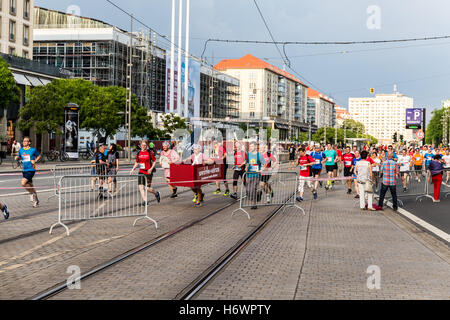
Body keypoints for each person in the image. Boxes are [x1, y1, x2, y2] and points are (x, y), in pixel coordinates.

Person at [130, 140, 161, 206]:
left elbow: (155, 161)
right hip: (141, 172)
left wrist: (151, 169)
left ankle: (156, 193)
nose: (143, 146)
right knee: (141, 187)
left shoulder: (149, 152)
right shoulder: (139, 153)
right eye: (142, 145)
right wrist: (133, 169)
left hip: (148, 172)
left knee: (147, 188)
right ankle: (145, 201)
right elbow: (137, 162)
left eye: (145, 145)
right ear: (140, 146)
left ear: (146, 146)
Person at [16, 137, 41, 208]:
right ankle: (36, 200)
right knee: (31, 185)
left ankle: (31, 193)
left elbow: (39, 156)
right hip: (24, 170)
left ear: (29, 142)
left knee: (23, 183)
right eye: (23, 141)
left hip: (31, 169)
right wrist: (17, 158)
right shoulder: (21, 150)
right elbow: (20, 157)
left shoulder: (33, 150)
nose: (24, 142)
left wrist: (35, 161)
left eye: (26, 141)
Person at [245, 141, 266, 210]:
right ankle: (258, 193)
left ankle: (254, 204)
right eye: (250, 146)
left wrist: (261, 170)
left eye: (252, 146)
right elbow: (247, 163)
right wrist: (246, 167)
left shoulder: (259, 155)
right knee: (248, 190)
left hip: (256, 175)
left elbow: (264, 163)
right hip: (249, 174)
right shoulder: (248, 154)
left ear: (255, 147)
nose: (251, 148)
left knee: (253, 189)